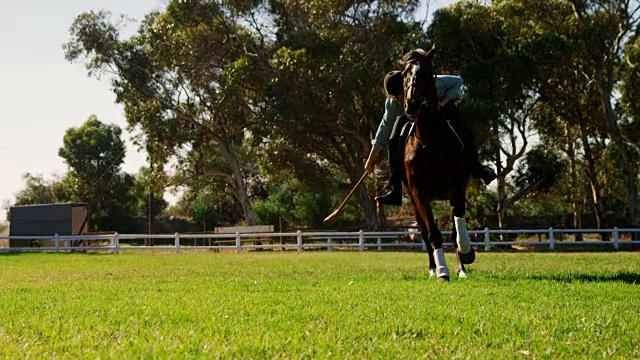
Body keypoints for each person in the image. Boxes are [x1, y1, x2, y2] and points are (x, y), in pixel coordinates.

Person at [364, 70, 497, 206]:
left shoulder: (428, 83)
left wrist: (443, 101)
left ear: (407, 85)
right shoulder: (393, 104)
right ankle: (395, 191)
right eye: (395, 97)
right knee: (393, 141)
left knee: (463, 129)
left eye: (401, 95)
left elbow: (458, 81)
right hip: (410, 116)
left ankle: (477, 168)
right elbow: (384, 129)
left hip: (440, 106)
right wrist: (371, 159)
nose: (399, 100)